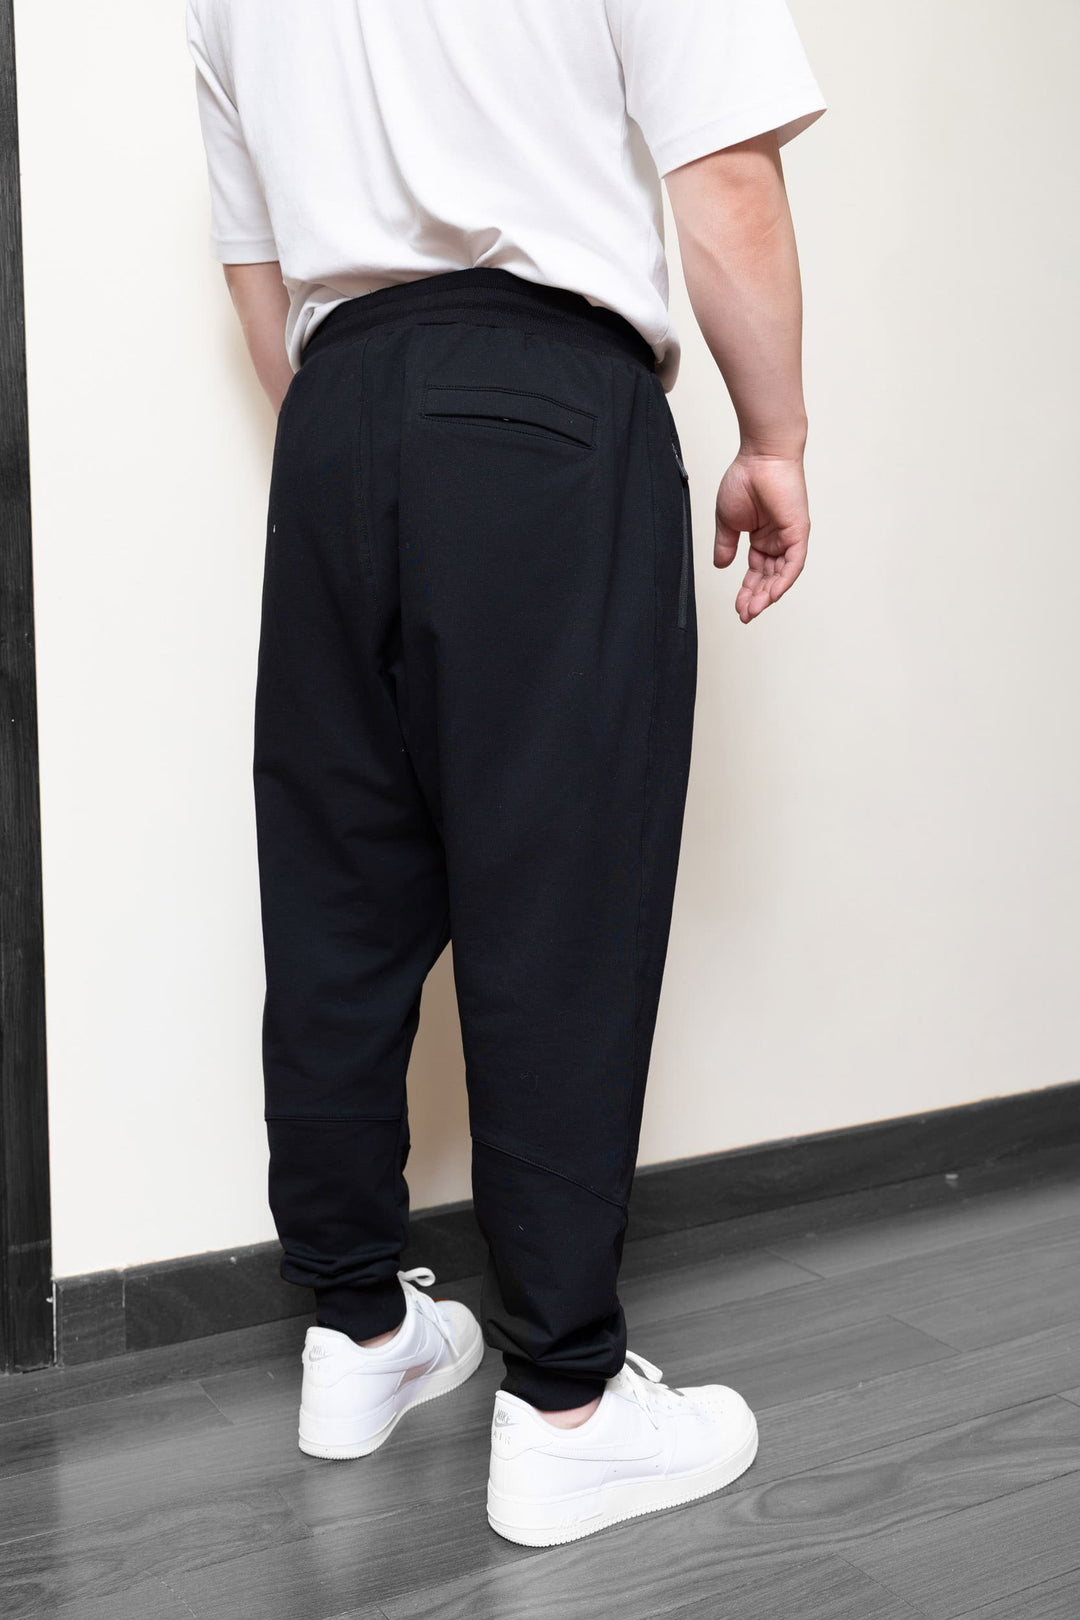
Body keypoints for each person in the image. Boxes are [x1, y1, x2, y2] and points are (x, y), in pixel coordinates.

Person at [186, 0, 826, 1547]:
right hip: (542, 397)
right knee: (559, 897)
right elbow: (724, 175)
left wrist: (367, 446)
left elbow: (257, 275)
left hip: (334, 416)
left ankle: (357, 1328)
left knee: (340, 892)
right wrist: (776, 434)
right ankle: (568, 1406)